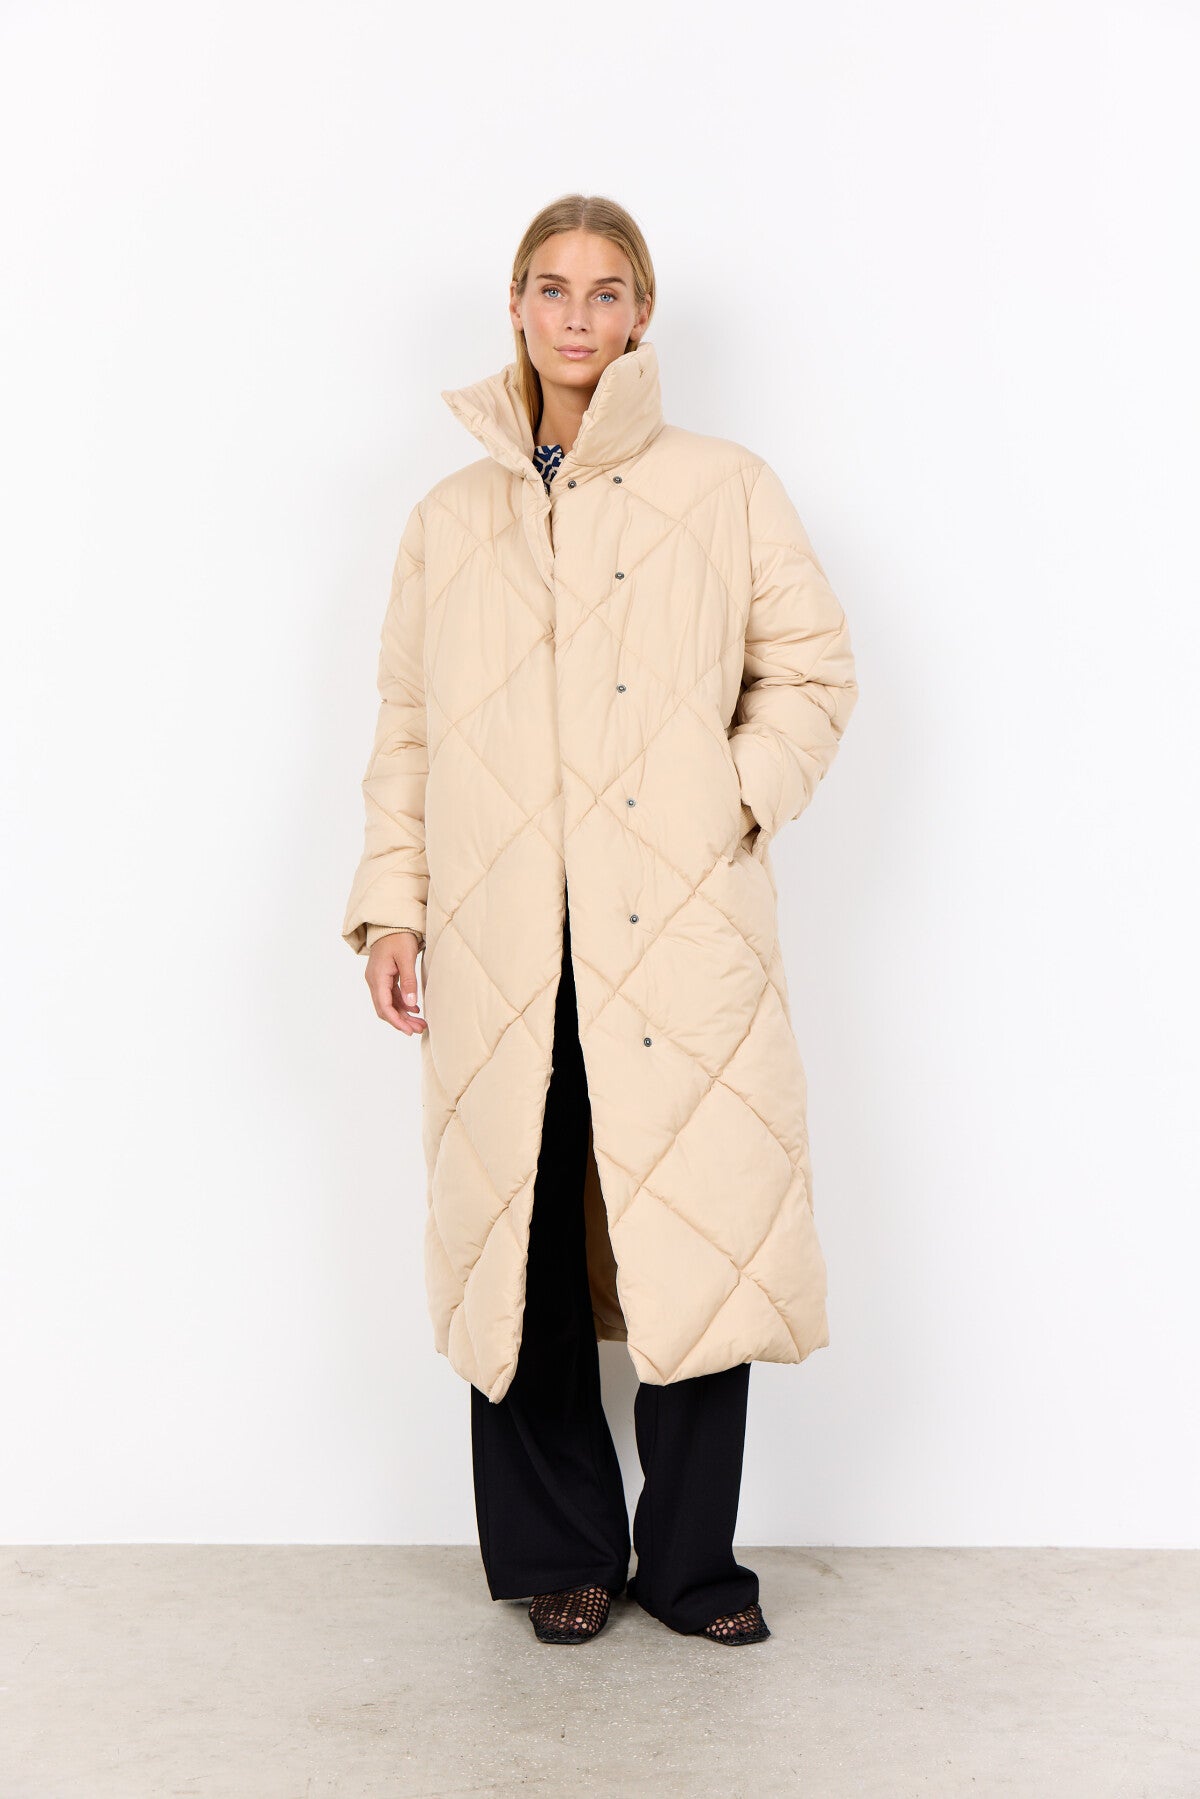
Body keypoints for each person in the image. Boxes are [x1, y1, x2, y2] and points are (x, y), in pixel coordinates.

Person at [342, 194, 859, 1648]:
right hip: (505, 935)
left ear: (642, 316)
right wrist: (394, 905)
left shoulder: (725, 487)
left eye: (608, 290)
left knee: (697, 1229)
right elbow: (407, 728)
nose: (579, 315)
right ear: (516, 307)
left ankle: (694, 1567)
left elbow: (813, 671)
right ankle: (558, 1554)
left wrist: (728, 800)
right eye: (553, 288)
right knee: (519, 1246)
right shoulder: (449, 520)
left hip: (677, 928)